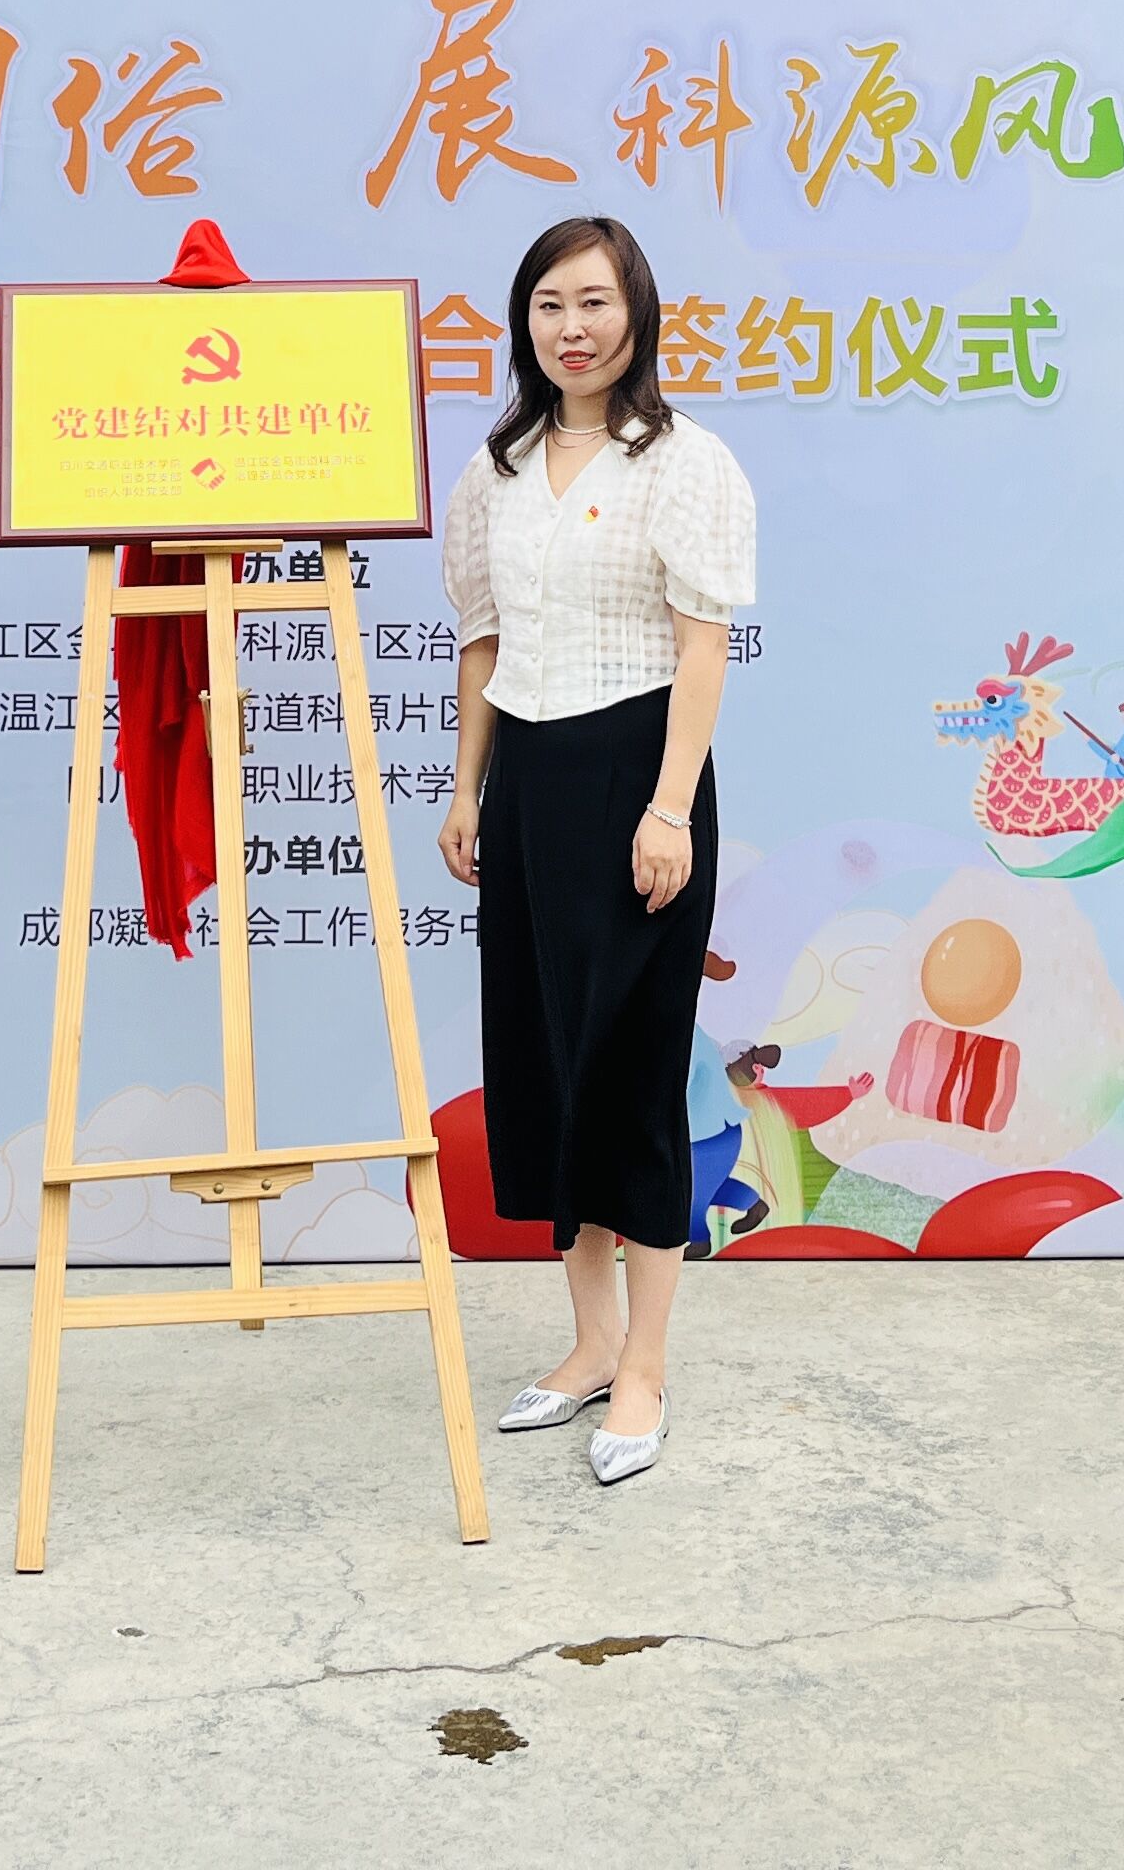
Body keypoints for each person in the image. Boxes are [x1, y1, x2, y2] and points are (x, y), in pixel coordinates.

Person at [437, 215, 756, 1489]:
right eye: (549, 305)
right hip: (527, 779)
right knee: (549, 1061)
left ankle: (646, 1367)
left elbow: (701, 646)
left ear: (638, 315)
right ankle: (588, 1343)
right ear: (525, 322)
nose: (572, 329)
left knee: (630, 1069)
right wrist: (467, 791)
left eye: (595, 303)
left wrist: (669, 810)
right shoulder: (497, 467)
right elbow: (481, 641)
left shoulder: (685, 461)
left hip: (639, 778)